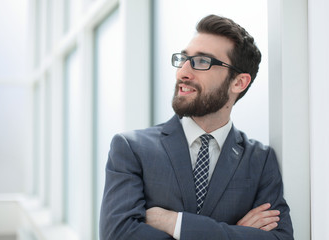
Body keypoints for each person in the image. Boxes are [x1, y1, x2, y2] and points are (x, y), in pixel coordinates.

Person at [99, 14, 293, 240]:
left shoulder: (260, 160)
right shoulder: (132, 149)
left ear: (239, 82)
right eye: (183, 59)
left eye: (202, 62)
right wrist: (236, 233)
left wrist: (175, 223)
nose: (182, 72)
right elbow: (119, 235)